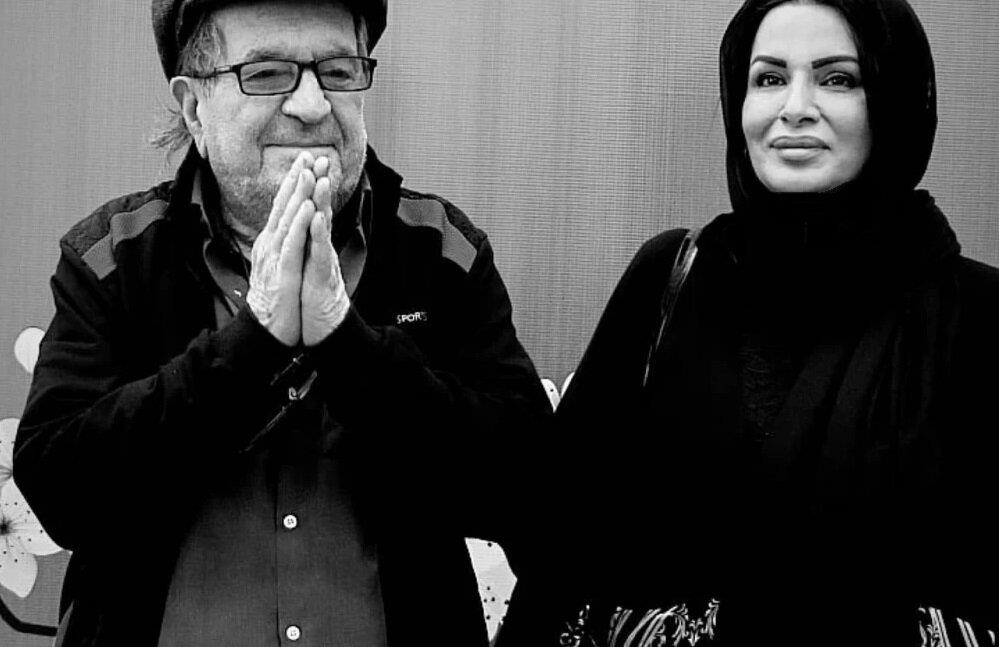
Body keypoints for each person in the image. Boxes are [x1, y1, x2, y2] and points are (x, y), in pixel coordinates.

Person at [13, 1, 551, 645]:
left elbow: (528, 486)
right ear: (194, 109)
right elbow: (62, 491)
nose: (313, 105)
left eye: (338, 70)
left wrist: (347, 345)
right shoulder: (116, 257)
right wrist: (253, 343)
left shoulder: (439, 251)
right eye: (267, 73)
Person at [498, 0, 999, 645]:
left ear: (895, 102)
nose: (795, 107)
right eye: (768, 78)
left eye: (837, 78)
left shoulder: (977, 313)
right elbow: (558, 537)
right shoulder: (670, 280)